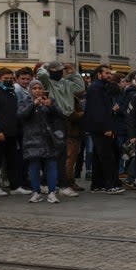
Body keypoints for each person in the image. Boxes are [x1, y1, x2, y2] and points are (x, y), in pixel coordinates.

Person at [37, 61, 87, 196]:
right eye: (56, 70)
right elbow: (41, 75)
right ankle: (52, 183)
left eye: (61, 70)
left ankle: (52, 183)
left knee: (61, 153)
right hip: (53, 118)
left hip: (66, 118)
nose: (60, 72)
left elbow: (80, 87)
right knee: (55, 152)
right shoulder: (48, 83)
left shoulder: (66, 83)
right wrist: (45, 66)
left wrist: (73, 72)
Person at [0, 67, 30, 197]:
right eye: (5, 79)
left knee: (12, 161)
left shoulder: (11, 92)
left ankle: (15, 186)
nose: (8, 81)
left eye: (10, 78)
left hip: (11, 132)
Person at [18, 79, 66, 203]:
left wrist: (51, 106)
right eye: (34, 88)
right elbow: (21, 115)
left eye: (40, 88)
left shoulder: (50, 101)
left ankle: (51, 192)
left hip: (49, 139)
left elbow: (61, 115)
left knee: (51, 165)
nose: (38, 91)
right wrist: (33, 104)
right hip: (32, 139)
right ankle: (36, 192)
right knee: (34, 166)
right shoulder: (25, 101)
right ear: (30, 90)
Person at [83, 65, 123, 194]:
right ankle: (110, 185)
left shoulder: (100, 87)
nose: (109, 75)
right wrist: (106, 128)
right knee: (107, 157)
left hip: (99, 127)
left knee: (99, 157)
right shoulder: (96, 88)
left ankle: (97, 184)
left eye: (109, 73)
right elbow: (97, 110)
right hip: (101, 128)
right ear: (99, 74)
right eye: (106, 73)